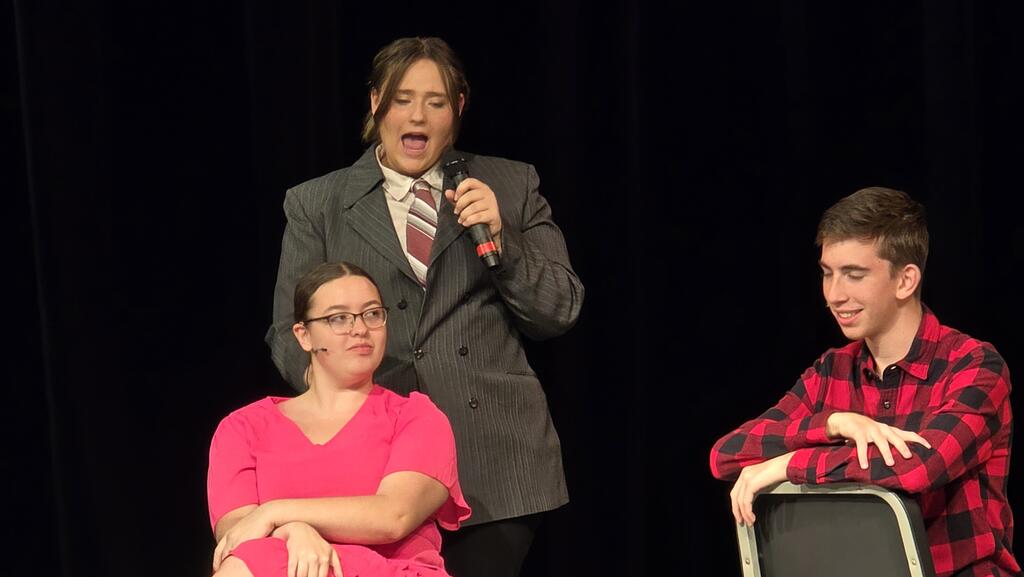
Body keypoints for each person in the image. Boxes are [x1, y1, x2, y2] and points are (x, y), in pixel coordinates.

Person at [264, 37, 583, 577]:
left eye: (435, 102)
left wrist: (503, 242)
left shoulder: (511, 184)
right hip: (374, 468)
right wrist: (339, 425)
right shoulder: (318, 202)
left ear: (458, 107)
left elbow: (558, 310)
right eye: (402, 99)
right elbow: (288, 334)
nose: (417, 116)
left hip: (492, 461)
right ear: (376, 103)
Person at [710, 187, 1020, 577]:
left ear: (905, 281)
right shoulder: (831, 370)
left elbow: (919, 468)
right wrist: (832, 423)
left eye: (854, 275)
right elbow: (726, 454)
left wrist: (789, 464)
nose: (834, 295)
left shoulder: (974, 365)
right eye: (827, 273)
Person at [208, 262, 471, 577]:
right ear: (304, 336)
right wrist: (293, 531)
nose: (360, 329)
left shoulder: (417, 418)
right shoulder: (243, 428)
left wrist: (277, 512)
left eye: (372, 314)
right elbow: (237, 533)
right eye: (339, 318)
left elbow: (393, 517)